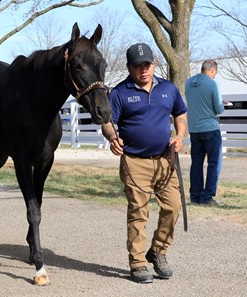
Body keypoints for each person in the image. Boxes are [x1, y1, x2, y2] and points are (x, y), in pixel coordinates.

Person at [101, 43, 187, 284]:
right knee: (139, 212)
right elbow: (108, 121)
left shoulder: (168, 89)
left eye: (147, 64)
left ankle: (158, 251)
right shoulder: (119, 92)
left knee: (174, 206)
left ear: (154, 64)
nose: (143, 70)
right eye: (138, 66)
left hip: (165, 160)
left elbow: (180, 113)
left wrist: (179, 136)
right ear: (129, 68)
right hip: (134, 162)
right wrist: (112, 138)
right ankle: (138, 262)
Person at [185, 60, 225, 206]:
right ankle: (207, 196)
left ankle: (195, 196)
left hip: (194, 129)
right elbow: (219, 109)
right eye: (215, 73)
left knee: (196, 163)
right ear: (213, 70)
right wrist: (222, 104)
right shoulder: (212, 83)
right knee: (214, 163)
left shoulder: (188, 83)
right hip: (210, 128)